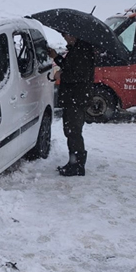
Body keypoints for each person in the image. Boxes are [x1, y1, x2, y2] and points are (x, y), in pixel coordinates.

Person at [47, 33, 96, 176]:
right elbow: (71, 67)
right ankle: (74, 163)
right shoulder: (77, 49)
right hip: (74, 97)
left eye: (65, 35)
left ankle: (77, 166)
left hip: (77, 98)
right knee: (70, 130)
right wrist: (56, 57)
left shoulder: (83, 51)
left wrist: (60, 76)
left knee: (73, 131)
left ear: (74, 34)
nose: (64, 38)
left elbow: (79, 75)